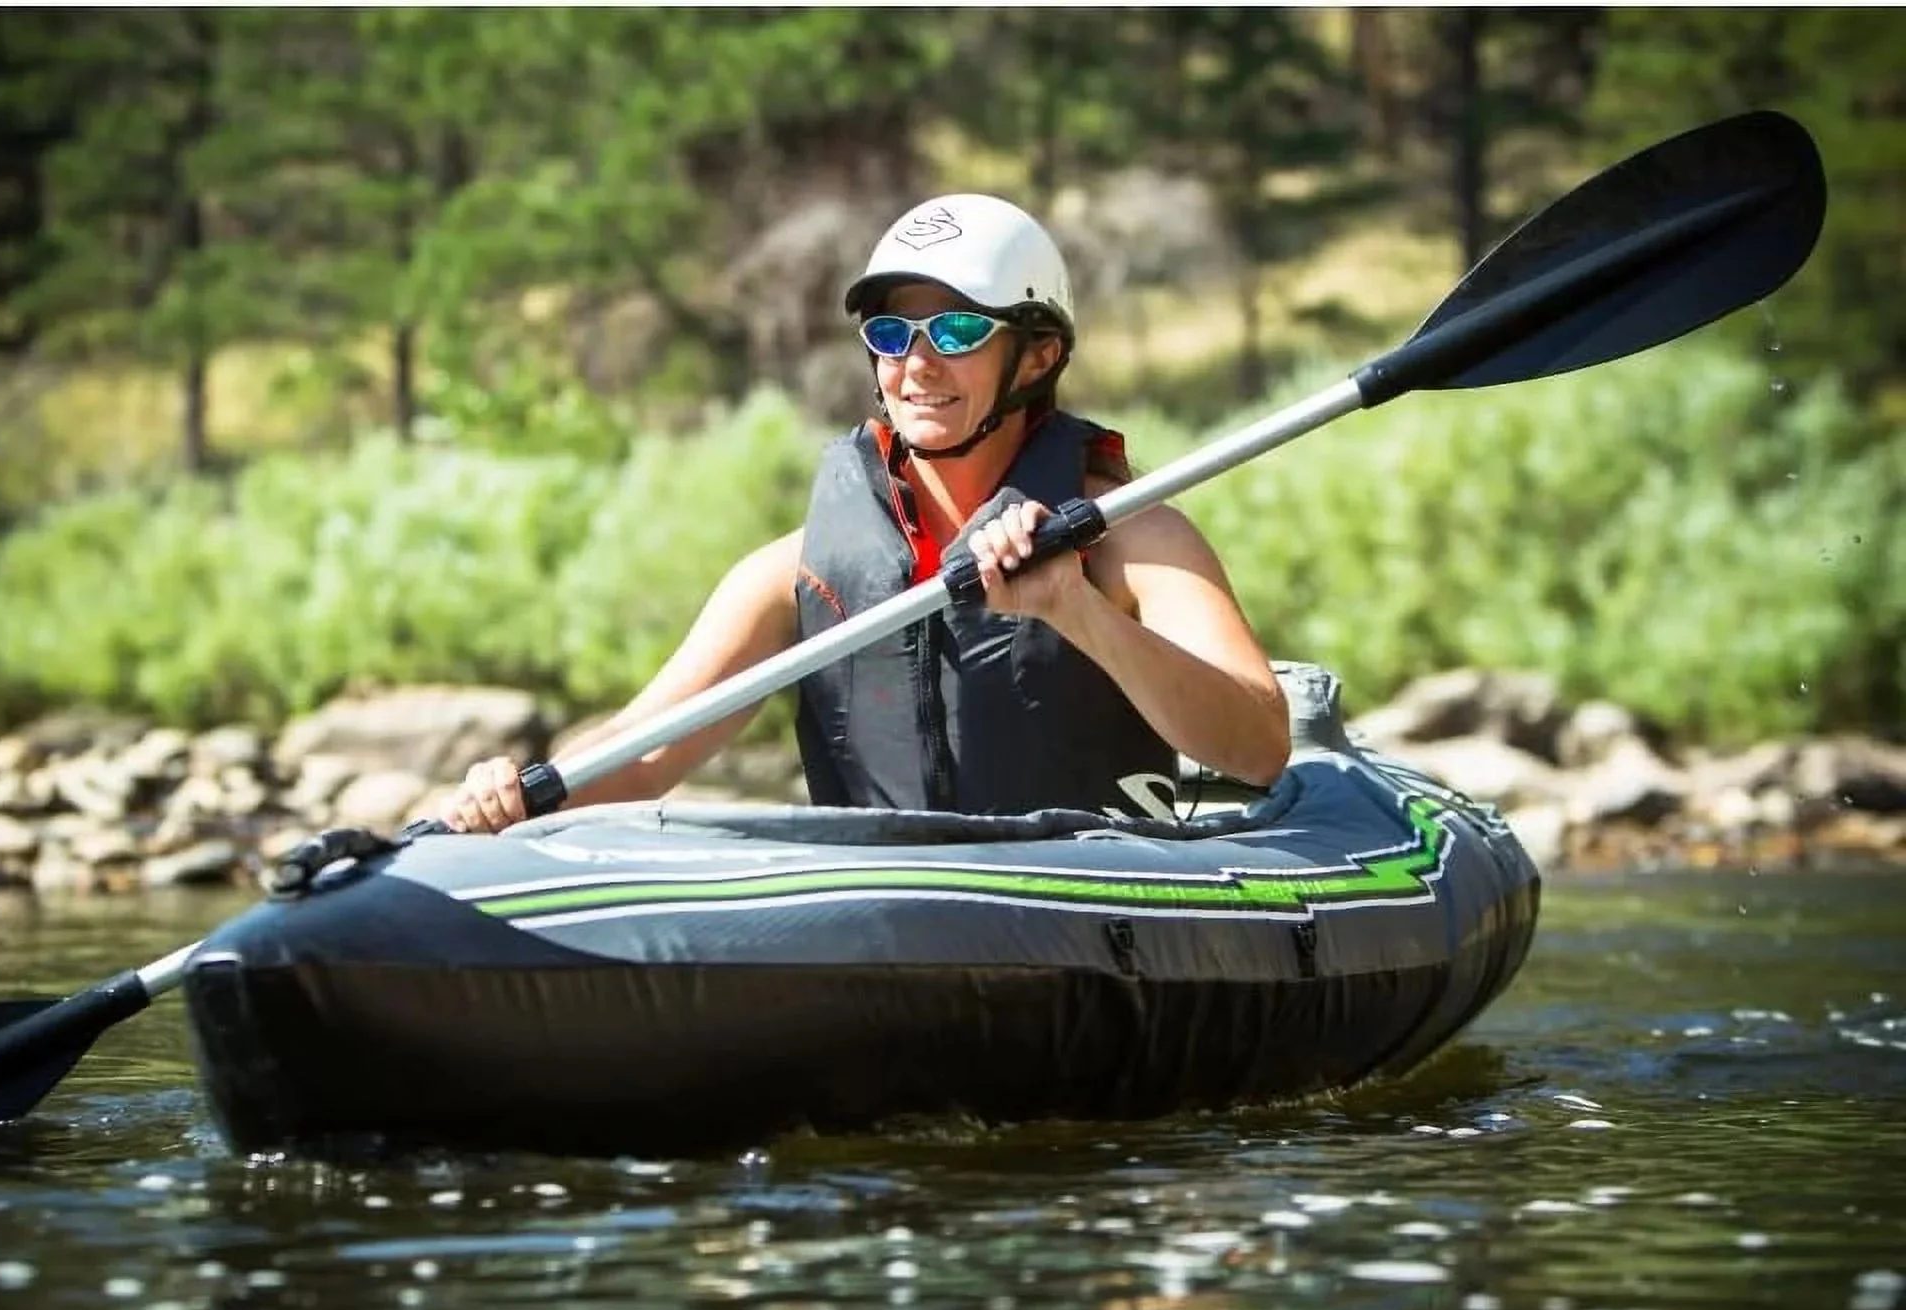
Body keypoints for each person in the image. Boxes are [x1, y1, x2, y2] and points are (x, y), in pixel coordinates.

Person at [440, 192, 1289, 833]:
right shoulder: (796, 572)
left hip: (1090, 923)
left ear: (1038, 355)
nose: (916, 365)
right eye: (891, 335)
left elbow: (1257, 746)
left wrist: (1076, 611)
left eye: (955, 333)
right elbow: (646, 748)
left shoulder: (1132, 540)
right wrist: (521, 795)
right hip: (889, 935)